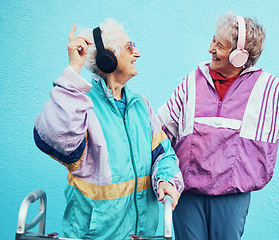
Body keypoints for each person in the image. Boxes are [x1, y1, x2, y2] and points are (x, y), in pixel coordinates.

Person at [157, 12, 279, 239]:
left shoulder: (269, 90)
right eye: (213, 40)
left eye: (219, 45)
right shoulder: (191, 82)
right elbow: (160, 130)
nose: (210, 49)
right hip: (187, 196)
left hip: (232, 197)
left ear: (239, 56)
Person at [33, 18, 184, 239]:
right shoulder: (82, 106)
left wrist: (166, 179)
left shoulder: (141, 106)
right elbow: (58, 137)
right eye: (130, 47)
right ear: (108, 59)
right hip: (96, 235)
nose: (138, 53)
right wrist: (73, 71)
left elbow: (163, 153)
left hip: (140, 234)